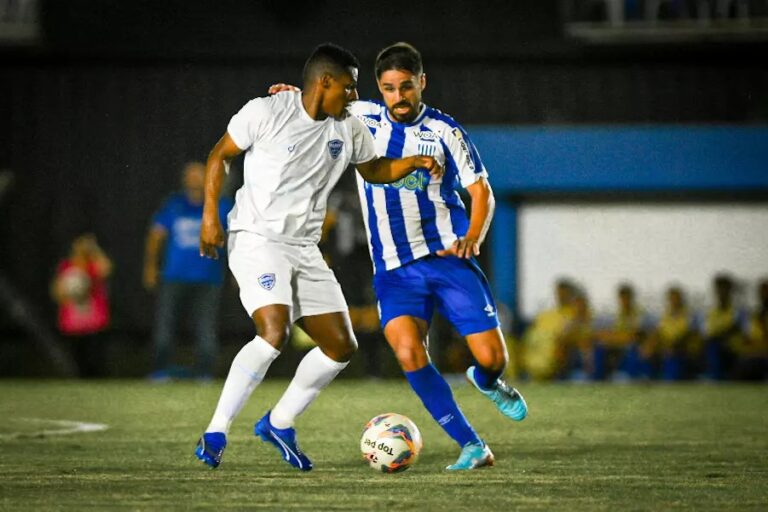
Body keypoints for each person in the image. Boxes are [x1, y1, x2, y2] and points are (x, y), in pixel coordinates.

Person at [271, 42, 528, 470]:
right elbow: (318, 102)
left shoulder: (445, 132)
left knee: (491, 358)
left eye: (406, 87)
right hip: (393, 269)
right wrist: (292, 97)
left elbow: (481, 191)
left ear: (421, 83)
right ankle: (473, 445)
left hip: (447, 258)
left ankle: (487, 381)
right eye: (389, 89)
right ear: (379, 88)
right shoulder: (360, 117)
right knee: (409, 352)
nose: (398, 97)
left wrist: (474, 236)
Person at [194, 43, 441, 471]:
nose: (353, 96)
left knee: (341, 345)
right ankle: (216, 429)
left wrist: (412, 162)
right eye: (348, 87)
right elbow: (220, 155)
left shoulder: (348, 126)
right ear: (323, 82)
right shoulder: (267, 111)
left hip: (304, 248)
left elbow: (374, 169)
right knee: (273, 332)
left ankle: (279, 422)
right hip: (256, 238)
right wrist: (209, 218)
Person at [143, 162, 233, 381]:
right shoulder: (174, 206)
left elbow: (235, 239)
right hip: (174, 277)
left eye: (199, 175)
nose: (194, 180)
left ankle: (204, 373)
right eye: (190, 176)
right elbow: (156, 235)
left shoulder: (221, 206)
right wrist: (151, 266)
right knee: (165, 327)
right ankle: (160, 371)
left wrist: (237, 271)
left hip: (208, 279)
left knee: (205, 328)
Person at [50, 233, 113, 378]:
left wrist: (95, 250)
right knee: (77, 361)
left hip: (94, 321)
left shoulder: (93, 264)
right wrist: (69, 294)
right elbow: (57, 292)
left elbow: (106, 269)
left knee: (96, 361)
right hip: (73, 322)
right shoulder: (67, 266)